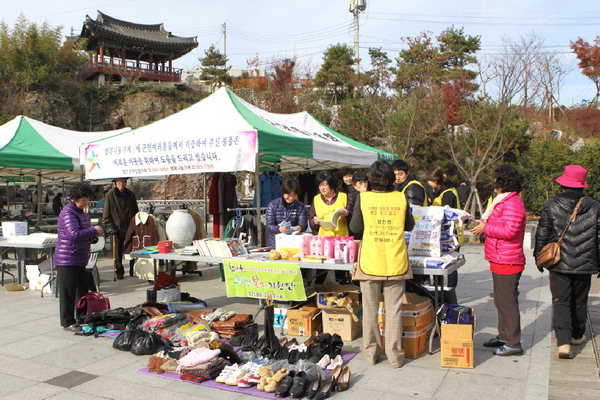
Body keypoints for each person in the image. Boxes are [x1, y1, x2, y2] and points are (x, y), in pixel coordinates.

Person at [350, 161, 414, 368]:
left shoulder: (363, 198)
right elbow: (410, 225)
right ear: (390, 178)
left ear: (370, 179)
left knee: (369, 309)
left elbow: (355, 227)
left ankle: (371, 354)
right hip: (396, 259)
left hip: (370, 259)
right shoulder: (400, 197)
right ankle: (395, 356)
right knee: (394, 310)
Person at [534, 165, 600, 359]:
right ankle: (578, 335)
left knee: (560, 301)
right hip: (585, 262)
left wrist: (539, 257)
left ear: (563, 184)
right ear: (582, 186)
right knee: (580, 300)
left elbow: (542, 233)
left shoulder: (552, 205)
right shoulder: (596, 207)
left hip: (559, 262)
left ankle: (563, 342)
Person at [470, 165, 526, 356]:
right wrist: (484, 224)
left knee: (507, 302)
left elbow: (510, 231)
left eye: (496, 180)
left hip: (508, 259)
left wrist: (485, 229)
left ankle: (513, 343)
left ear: (503, 183)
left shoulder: (512, 203)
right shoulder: (503, 200)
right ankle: (504, 336)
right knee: (502, 301)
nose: (494, 183)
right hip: (500, 257)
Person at [54, 183, 103, 331]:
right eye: (83, 200)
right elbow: (74, 234)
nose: (85, 203)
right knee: (68, 292)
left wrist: (92, 235)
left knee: (82, 290)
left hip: (80, 257)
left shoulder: (82, 212)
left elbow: (84, 231)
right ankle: (67, 321)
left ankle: (81, 316)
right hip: (67, 258)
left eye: (87, 200)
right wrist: (93, 230)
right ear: (75, 199)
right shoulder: (68, 212)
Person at [308, 171, 353, 284]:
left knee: (341, 272)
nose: (322, 188)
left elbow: (353, 216)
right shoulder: (316, 199)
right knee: (321, 271)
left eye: (325, 185)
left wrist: (347, 213)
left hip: (341, 240)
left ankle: (343, 295)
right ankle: (318, 294)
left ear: (331, 185)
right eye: (320, 185)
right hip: (324, 240)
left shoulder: (344, 197)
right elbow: (311, 218)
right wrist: (314, 221)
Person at [425, 165, 461, 303]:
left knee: (450, 265)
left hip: (449, 236)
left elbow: (444, 214)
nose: (428, 183)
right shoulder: (443, 191)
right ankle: (441, 293)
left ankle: (449, 296)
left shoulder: (448, 193)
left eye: (430, 180)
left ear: (436, 181)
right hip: (446, 234)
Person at [102, 178, 139, 279]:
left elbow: (136, 210)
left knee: (132, 249)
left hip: (130, 226)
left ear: (126, 183)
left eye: (123, 182)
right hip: (117, 227)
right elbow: (106, 213)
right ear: (115, 184)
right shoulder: (111, 195)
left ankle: (133, 269)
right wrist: (110, 226)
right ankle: (119, 271)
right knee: (117, 252)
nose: (121, 184)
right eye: (119, 182)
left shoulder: (131, 194)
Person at [265, 179, 308, 247]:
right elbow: (269, 226)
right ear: (283, 193)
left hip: (293, 242)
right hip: (275, 243)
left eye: (294, 195)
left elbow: (304, 224)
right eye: (288, 194)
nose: (291, 198)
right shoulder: (272, 205)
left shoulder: (300, 206)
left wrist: (300, 227)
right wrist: (278, 229)